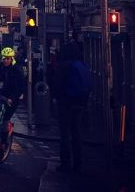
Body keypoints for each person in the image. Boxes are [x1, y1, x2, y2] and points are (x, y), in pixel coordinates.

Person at [55, 41, 90, 172]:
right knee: (76, 132)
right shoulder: (82, 65)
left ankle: (65, 163)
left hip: (66, 102)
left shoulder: (65, 65)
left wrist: (56, 98)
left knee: (64, 133)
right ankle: (78, 163)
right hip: (80, 102)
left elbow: (58, 84)